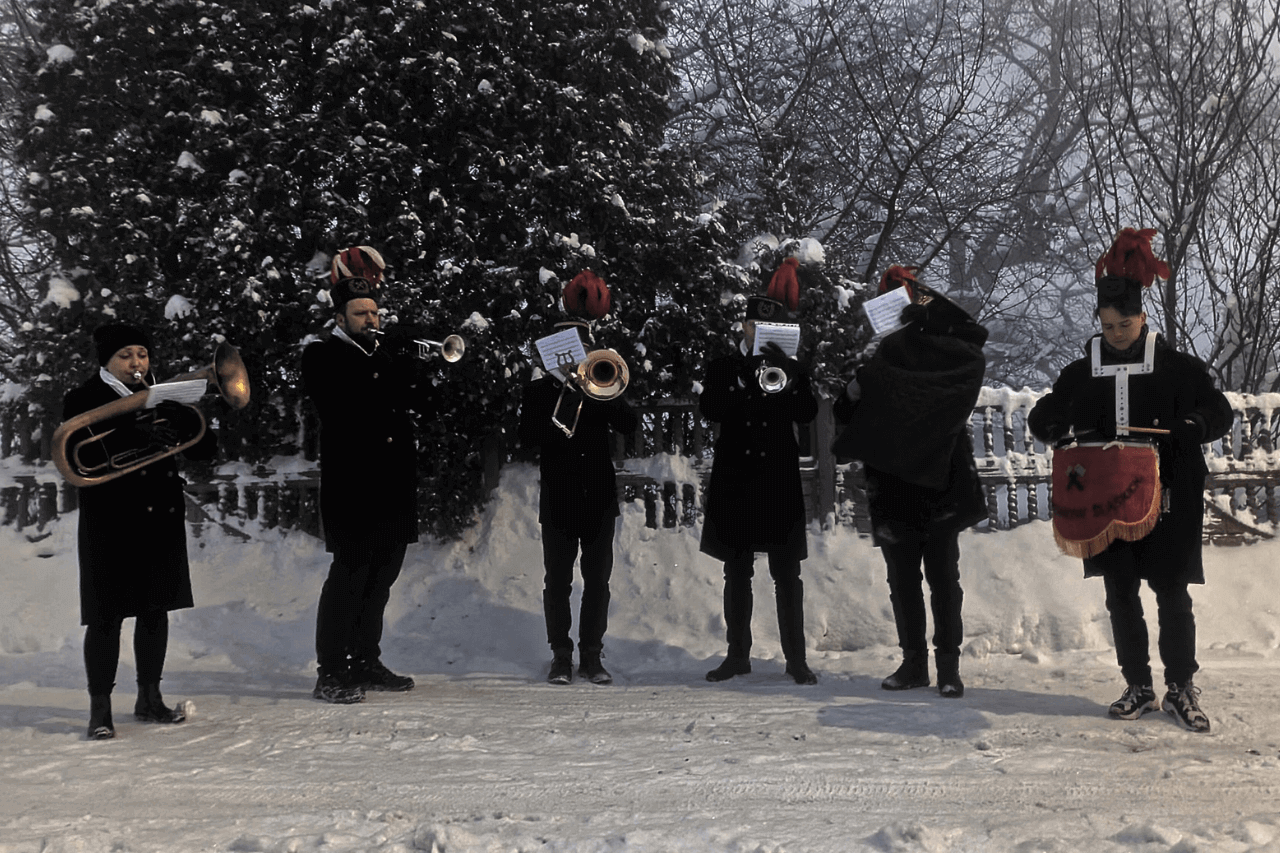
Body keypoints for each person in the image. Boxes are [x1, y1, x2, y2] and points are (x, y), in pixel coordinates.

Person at [1028, 228, 1233, 732]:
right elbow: (1044, 415)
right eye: (1108, 325)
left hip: (1169, 499)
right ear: (1099, 322)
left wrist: (1195, 426)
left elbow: (1219, 410)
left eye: (1125, 324)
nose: (1117, 333)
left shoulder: (1178, 367)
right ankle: (1138, 685)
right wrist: (1052, 427)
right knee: (1120, 594)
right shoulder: (1080, 373)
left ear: (1143, 317)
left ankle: (1180, 688)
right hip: (1106, 502)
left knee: (1172, 593)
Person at [831, 266, 988, 698]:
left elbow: (966, 359)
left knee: (942, 579)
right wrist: (854, 391)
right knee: (903, 581)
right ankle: (914, 664)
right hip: (894, 484)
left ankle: (948, 668)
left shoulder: (952, 358)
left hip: (939, 483)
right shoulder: (882, 359)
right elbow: (847, 413)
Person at [62, 322, 217, 739]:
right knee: (106, 617)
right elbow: (75, 459)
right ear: (107, 361)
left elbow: (206, 450)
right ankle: (100, 710)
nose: (137, 363)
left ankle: (150, 698)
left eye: (142, 355)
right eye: (126, 356)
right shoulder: (82, 398)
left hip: (159, 514)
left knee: (155, 610)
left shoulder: (164, 395)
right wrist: (132, 431)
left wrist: (186, 420)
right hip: (110, 519)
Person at [302, 246, 437, 704]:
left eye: (375, 311)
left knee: (383, 576)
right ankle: (330, 671)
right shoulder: (322, 356)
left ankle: (365, 659)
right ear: (340, 318)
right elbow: (345, 407)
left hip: (393, 485)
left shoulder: (385, 355)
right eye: (361, 312)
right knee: (350, 576)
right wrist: (390, 360)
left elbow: (416, 401)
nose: (371, 318)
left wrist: (412, 363)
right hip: (352, 489)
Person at [700, 258, 819, 685]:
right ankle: (738, 655)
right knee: (737, 572)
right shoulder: (723, 367)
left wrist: (789, 375)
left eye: (769, 329)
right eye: (753, 326)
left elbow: (807, 414)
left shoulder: (792, 370)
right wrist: (744, 378)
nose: (758, 334)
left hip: (778, 481)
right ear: (745, 329)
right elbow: (710, 408)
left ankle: (796, 659)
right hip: (736, 478)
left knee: (788, 575)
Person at [518, 271, 638, 685]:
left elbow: (629, 425)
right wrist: (556, 389)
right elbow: (526, 437)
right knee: (558, 580)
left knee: (597, 579)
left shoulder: (601, 384)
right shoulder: (538, 392)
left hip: (599, 494)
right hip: (559, 494)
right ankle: (560, 654)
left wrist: (602, 390)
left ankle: (592, 654)